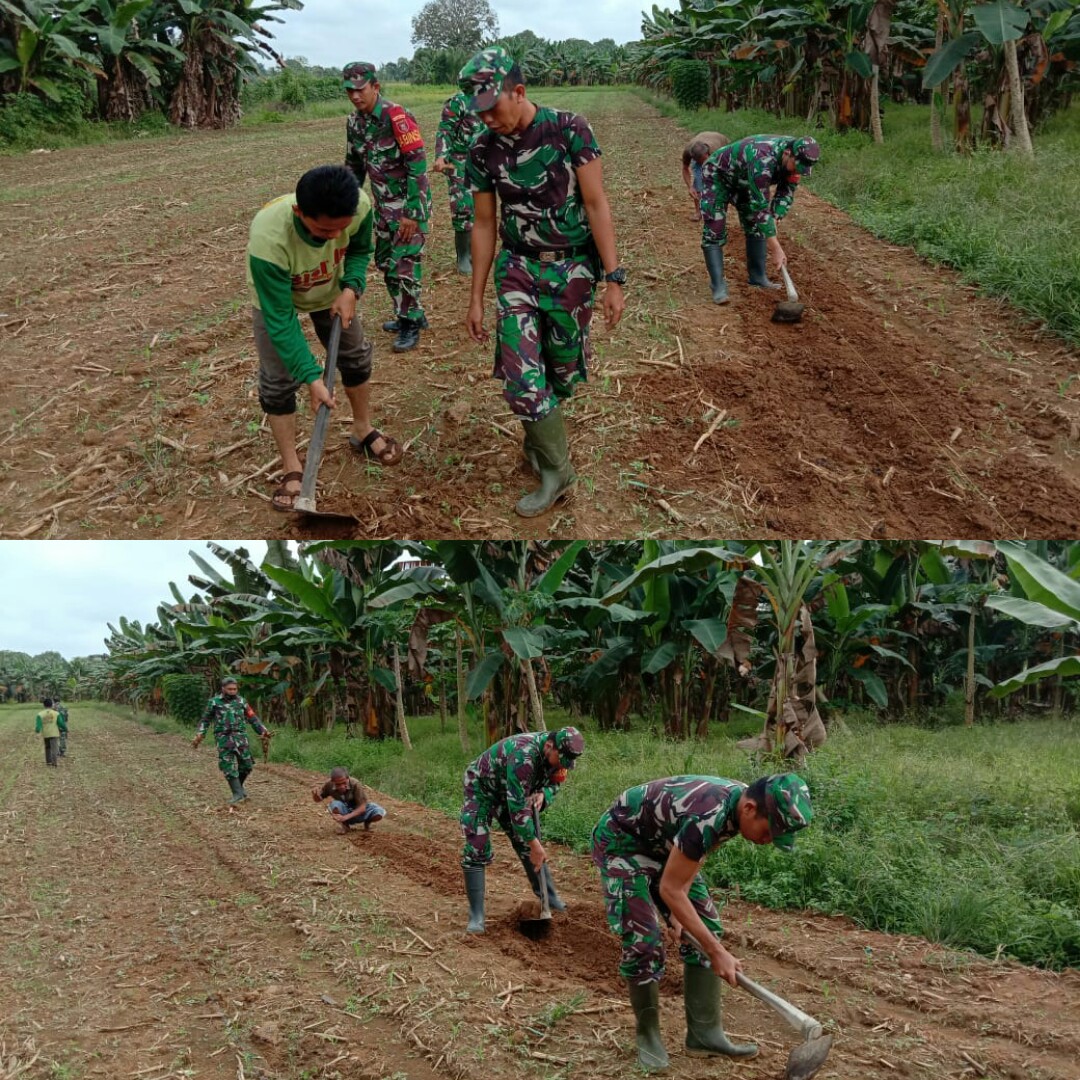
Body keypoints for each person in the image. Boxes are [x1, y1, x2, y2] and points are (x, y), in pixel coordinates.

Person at [459, 46, 627, 517]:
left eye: (494, 107)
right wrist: (475, 297)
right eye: (479, 111)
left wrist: (614, 278)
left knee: (561, 374)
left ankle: (539, 443)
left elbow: (596, 204)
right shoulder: (482, 149)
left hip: (572, 270)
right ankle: (559, 472)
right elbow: (485, 223)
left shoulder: (569, 129)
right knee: (521, 377)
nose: (487, 118)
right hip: (518, 270)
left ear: (519, 91)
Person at [591, 773, 813, 1071]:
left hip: (666, 846)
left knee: (705, 922)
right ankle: (648, 1036)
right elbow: (671, 887)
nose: (768, 840)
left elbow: (696, 853)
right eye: (770, 830)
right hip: (623, 843)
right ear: (750, 809)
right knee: (645, 941)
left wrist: (677, 911)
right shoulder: (710, 813)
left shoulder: (734, 808)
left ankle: (704, 1035)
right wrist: (715, 950)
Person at [247, 163, 402, 512]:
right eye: (322, 230)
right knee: (277, 381)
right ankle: (291, 466)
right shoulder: (269, 239)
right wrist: (310, 376)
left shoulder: (359, 206)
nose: (333, 238)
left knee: (356, 356)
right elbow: (280, 318)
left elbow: (360, 251)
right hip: (278, 300)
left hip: (332, 292)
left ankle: (362, 430)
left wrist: (352, 288)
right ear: (299, 212)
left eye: (340, 230)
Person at [343, 61, 432, 354]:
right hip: (382, 206)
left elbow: (418, 167)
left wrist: (411, 214)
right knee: (384, 262)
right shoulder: (354, 123)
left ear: (375, 87)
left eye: (361, 90)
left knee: (402, 266)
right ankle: (413, 312)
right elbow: (354, 167)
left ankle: (408, 323)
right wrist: (348, 204)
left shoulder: (398, 117)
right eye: (350, 91)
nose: (356, 96)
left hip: (408, 205)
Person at [460, 726, 584, 933]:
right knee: (478, 845)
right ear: (549, 747)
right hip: (483, 788)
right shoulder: (524, 755)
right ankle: (477, 916)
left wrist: (545, 793)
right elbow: (517, 808)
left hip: (514, 789)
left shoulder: (561, 758)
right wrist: (535, 845)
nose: (562, 765)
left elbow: (556, 782)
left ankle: (550, 900)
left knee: (527, 844)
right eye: (560, 760)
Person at [699, 135, 820, 304]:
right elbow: (760, 208)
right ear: (787, 153)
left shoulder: (796, 161)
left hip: (746, 180)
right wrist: (776, 249)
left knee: (756, 226)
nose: (796, 171)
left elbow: (786, 193)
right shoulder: (763, 158)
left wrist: (775, 217)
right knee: (715, 226)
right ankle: (718, 285)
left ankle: (758, 277)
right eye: (795, 166)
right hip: (719, 175)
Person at [192, 677, 273, 804]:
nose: (232, 691)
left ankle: (239, 788)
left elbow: (253, 718)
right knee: (228, 766)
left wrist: (263, 731)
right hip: (223, 738)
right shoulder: (214, 702)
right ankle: (237, 793)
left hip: (240, 738)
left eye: (235, 689)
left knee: (247, 765)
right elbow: (205, 720)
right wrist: (200, 734)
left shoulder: (241, 702)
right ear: (223, 689)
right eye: (229, 689)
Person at [433, 89, 485, 274]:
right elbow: (445, 130)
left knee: (482, 209)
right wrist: (441, 156)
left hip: (484, 160)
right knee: (463, 206)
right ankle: (463, 256)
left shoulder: (492, 97)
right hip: (460, 160)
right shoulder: (458, 101)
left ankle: (475, 253)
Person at [312, 766, 386, 832]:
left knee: (379, 812)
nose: (341, 786)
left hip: (358, 811)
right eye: (338, 784)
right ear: (333, 781)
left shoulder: (355, 784)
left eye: (344, 783)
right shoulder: (329, 785)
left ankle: (367, 822)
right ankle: (345, 826)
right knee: (335, 804)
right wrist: (315, 795)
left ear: (348, 778)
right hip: (344, 810)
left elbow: (362, 807)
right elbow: (318, 799)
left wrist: (345, 817)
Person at [681, 131, 728, 221]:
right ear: (693, 158)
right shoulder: (688, 151)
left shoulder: (718, 150)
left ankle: (718, 210)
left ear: (707, 153)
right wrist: (690, 187)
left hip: (720, 141)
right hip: (701, 142)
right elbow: (685, 168)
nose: (703, 163)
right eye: (700, 161)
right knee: (698, 177)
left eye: (705, 159)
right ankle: (698, 212)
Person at [34, 697, 60, 767]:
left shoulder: (40, 714)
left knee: (47, 747)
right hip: (54, 733)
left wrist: (37, 731)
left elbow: (38, 725)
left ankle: (48, 762)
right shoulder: (56, 713)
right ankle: (54, 763)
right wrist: (64, 728)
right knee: (54, 748)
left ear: (44, 705)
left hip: (46, 733)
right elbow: (60, 723)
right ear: (52, 705)